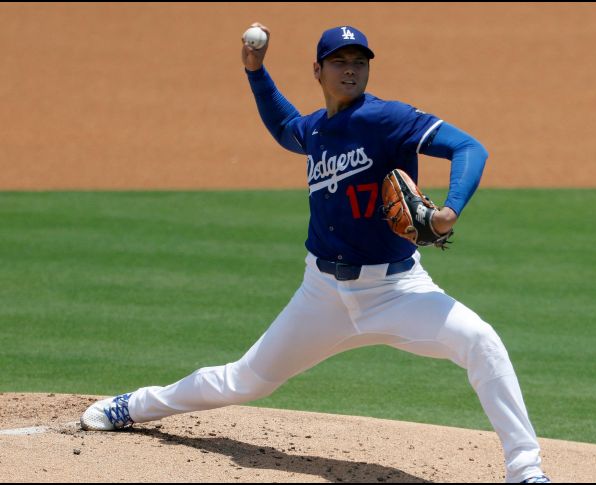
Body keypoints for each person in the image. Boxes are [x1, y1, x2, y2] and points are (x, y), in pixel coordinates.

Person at [81, 23, 550, 483]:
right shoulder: (318, 130)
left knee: (481, 341)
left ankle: (526, 471)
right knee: (244, 381)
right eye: (340, 62)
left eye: (359, 62)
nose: (351, 70)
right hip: (321, 294)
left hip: (396, 290)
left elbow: (470, 147)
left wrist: (450, 210)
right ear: (318, 71)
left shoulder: (387, 118)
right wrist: (255, 70)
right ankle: (135, 405)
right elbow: (287, 126)